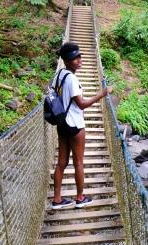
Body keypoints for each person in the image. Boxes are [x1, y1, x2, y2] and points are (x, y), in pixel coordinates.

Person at [51, 42, 113, 210]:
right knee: (78, 162)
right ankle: (80, 198)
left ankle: (57, 200)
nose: (79, 60)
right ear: (66, 60)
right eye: (74, 58)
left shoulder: (58, 75)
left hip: (62, 123)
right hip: (75, 125)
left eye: (79, 56)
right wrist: (102, 93)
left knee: (61, 163)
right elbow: (82, 104)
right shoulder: (72, 79)